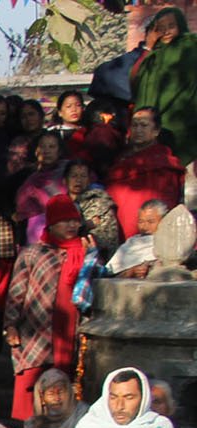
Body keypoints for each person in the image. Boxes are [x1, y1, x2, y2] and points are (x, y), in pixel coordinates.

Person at [5, 194, 92, 421]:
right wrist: (11, 325)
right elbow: (16, 292)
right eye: (66, 221)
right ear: (52, 223)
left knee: (66, 385)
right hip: (37, 333)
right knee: (31, 385)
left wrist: (90, 256)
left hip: (70, 333)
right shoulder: (33, 253)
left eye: (75, 221)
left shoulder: (85, 251)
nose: (72, 225)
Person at [131, 7, 197, 164]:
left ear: (180, 25)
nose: (166, 31)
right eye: (161, 28)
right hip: (154, 125)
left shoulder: (191, 47)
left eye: (171, 26)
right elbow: (135, 78)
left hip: (185, 122)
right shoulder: (154, 53)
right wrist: (149, 46)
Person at [109, 107, 184, 238]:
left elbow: (166, 202)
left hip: (149, 232)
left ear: (156, 131)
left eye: (144, 125)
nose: (138, 130)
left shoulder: (162, 162)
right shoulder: (122, 159)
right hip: (119, 229)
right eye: (134, 125)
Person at [14, 130, 69, 245]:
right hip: (38, 236)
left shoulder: (70, 170)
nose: (47, 151)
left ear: (59, 151)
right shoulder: (26, 177)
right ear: (35, 151)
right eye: (43, 147)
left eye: (52, 147)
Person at [66, 160, 123, 259]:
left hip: (96, 258)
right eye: (74, 176)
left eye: (83, 176)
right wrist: (85, 225)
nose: (78, 180)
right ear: (65, 180)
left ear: (89, 180)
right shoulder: (61, 204)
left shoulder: (99, 203)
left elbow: (103, 239)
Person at [105, 198, 168, 277]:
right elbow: (110, 276)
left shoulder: (169, 244)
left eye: (151, 222)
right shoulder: (130, 244)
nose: (144, 227)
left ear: (164, 221)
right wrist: (131, 272)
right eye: (141, 222)